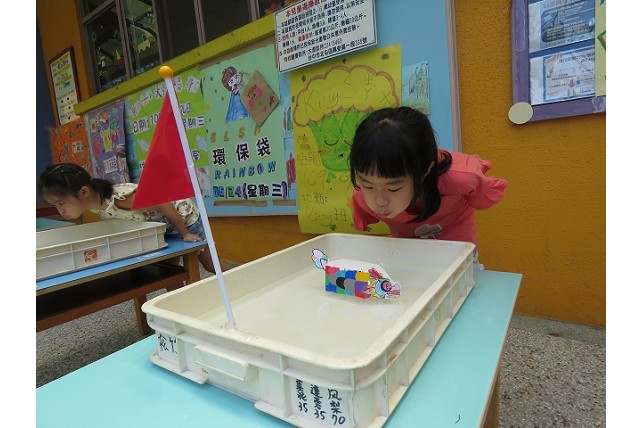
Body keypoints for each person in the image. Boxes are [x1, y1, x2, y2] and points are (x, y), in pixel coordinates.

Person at [349, 107, 508, 269]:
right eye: (368, 185)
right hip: (407, 252)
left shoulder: (461, 178)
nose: (380, 201)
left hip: (458, 250)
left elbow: (481, 194)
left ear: (425, 171)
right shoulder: (362, 196)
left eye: (393, 189)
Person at [38, 163, 224, 274]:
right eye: (55, 205)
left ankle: (240, 285)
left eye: (61, 203)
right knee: (168, 272)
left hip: (185, 218)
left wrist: (185, 233)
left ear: (84, 192)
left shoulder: (121, 198)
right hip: (161, 226)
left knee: (211, 266)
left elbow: (164, 204)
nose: (60, 210)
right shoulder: (93, 204)